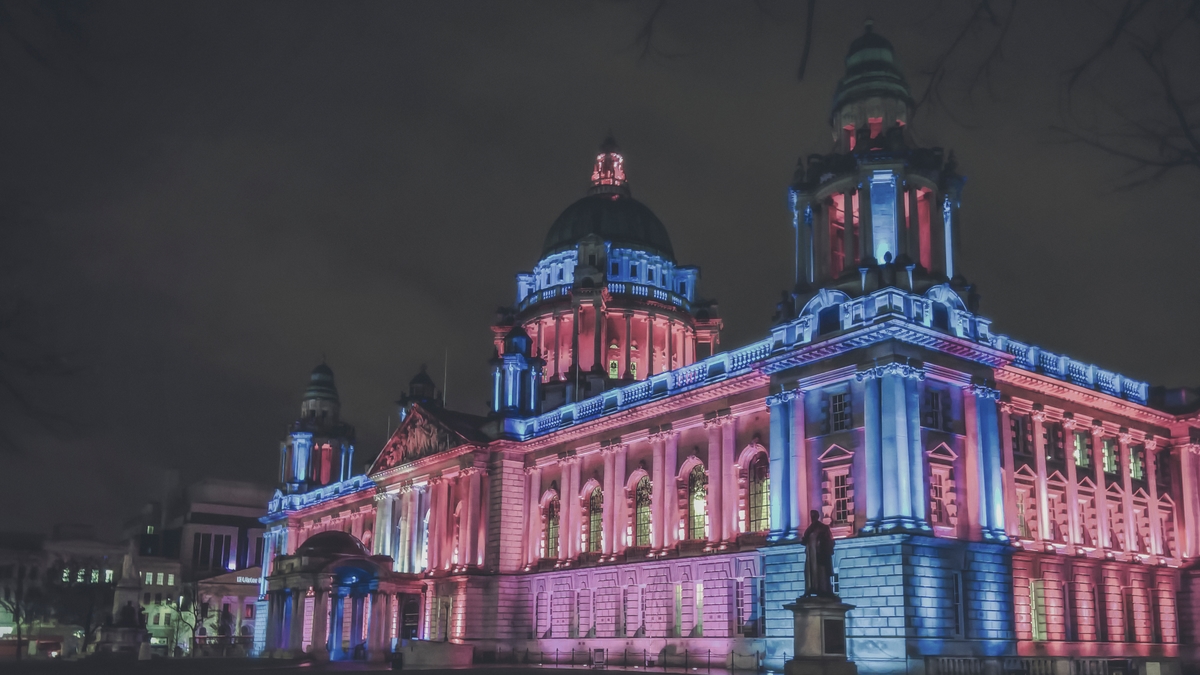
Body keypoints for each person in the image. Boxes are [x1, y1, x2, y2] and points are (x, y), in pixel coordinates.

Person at [802, 509, 835, 596]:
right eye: (811, 516)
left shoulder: (823, 528)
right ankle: (811, 588)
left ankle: (824, 589)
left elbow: (830, 540)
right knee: (810, 573)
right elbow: (805, 540)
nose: (812, 518)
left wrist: (825, 547)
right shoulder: (809, 529)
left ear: (817, 516)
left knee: (822, 572)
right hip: (811, 555)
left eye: (814, 516)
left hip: (820, 554)